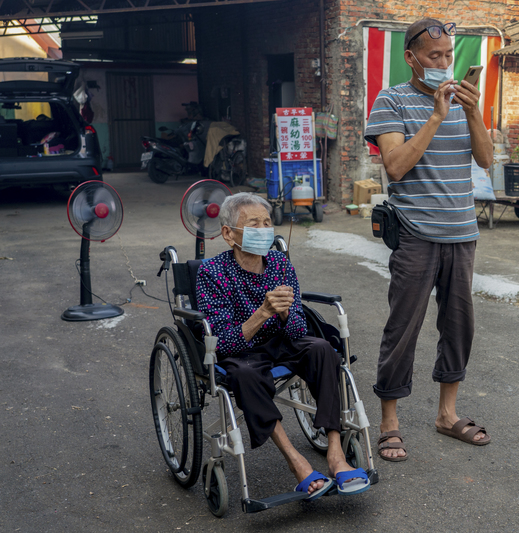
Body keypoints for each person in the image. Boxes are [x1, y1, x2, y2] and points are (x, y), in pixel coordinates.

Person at [363, 18, 493, 461]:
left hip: (462, 233)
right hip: (416, 233)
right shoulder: (391, 100)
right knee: (403, 327)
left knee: (458, 326)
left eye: (447, 56)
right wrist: (437, 116)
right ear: (411, 57)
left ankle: (446, 414)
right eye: (433, 56)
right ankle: (389, 421)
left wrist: (472, 111)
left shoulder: (465, 101)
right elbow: (396, 165)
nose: (442, 63)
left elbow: (486, 158)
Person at [195, 192, 369, 498]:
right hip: (241, 352)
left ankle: (335, 452)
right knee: (246, 375)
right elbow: (222, 343)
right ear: (228, 234)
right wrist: (263, 312)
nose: (263, 230)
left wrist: (287, 311)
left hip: (281, 342)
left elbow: (299, 329)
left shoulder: (278, 262)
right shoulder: (212, 273)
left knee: (322, 350)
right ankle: (296, 460)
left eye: (267, 222)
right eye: (253, 224)